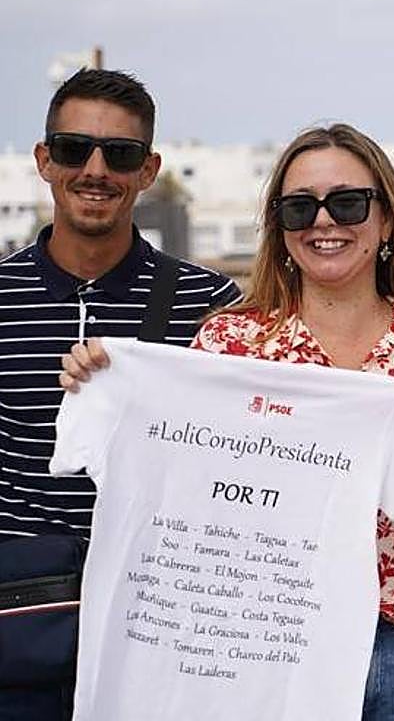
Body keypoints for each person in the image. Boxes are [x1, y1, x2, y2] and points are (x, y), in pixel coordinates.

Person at [61, 124, 394, 721]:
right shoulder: (230, 346)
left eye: (348, 202)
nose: (324, 222)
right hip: (270, 648)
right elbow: (183, 489)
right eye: (300, 208)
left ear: (385, 220)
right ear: (280, 227)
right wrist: (111, 386)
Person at [0, 69, 240, 721]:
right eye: (75, 149)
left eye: (121, 154)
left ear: (149, 169)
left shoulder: (211, 306)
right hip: (19, 627)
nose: (96, 169)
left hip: (160, 631)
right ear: (45, 160)